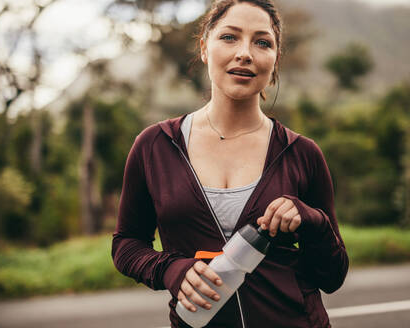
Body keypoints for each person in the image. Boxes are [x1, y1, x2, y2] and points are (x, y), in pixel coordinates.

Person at [111, 0, 349, 327]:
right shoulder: (154, 146)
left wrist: (311, 220)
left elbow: (333, 276)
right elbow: (126, 245)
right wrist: (170, 269)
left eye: (262, 42)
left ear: (275, 60)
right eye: (229, 37)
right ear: (204, 47)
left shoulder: (302, 153)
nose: (245, 53)